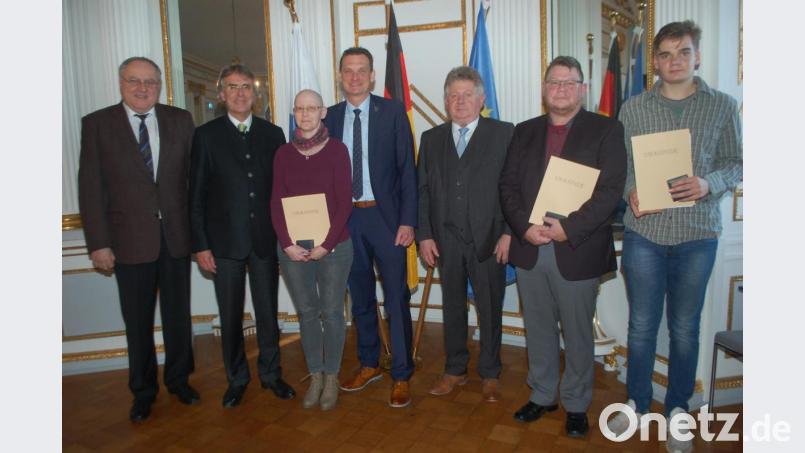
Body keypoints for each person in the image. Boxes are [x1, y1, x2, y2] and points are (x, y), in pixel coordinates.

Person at [608, 21, 742, 453]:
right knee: (641, 326)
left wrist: (708, 183)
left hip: (697, 234)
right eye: (665, 54)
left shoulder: (723, 106)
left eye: (683, 52)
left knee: (685, 328)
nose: (675, 61)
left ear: (696, 56)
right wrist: (631, 190)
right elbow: (622, 166)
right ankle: (637, 402)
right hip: (644, 232)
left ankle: (678, 410)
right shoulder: (634, 108)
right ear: (655, 62)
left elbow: (737, 163)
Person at [499, 56, 626, 437]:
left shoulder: (606, 129)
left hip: (576, 247)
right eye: (554, 82)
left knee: (577, 332)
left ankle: (576, 403)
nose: (561, 89)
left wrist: (567, 228)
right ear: (544, 89)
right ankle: (542, 395)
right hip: (531, 247)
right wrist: (524, 228)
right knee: (537, 328)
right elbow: (507, 187)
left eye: (570, 82)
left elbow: (610, 192)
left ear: (583, 89)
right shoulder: (524, 131)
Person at [78, 56, 199, 422]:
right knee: (137, 321)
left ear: (159, 86)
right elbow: (91, 189)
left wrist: (200, 236)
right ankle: (143, 391)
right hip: (128, 242)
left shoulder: (180, 120)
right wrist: (98, 243)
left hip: (175, 238)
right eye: (134, 80)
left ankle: (179, 380)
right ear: (121, 83)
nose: (143, 88)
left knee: (178, 317)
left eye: (150, 82)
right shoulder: (98, 124)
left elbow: (193, 182)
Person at [189, 63, 295, 408]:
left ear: (255, 93)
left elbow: (284, 189)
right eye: (232, 87)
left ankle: (271, 374)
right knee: (231, 316)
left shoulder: (273, 134)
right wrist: (201, 245)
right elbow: (196, 196)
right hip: (224, 244)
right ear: (221, 94)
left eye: (246, 86)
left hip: (265, 240)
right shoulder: (206, 136)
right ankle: (237, 379)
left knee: (267, 312)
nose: (240, 93)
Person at [323, 47, 417, 408]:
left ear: (373, 75)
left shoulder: (392, 112)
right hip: (346, 221)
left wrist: (408, 220)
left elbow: (408, 169)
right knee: (360, 297)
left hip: (386, 219)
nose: (355, 76)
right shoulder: (330, 117)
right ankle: (369, 363)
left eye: (362, 70)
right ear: (340, 76)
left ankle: (402, 374)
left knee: (395, 298)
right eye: (348, 70)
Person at [417, 66, 514, 403]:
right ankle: (455, 369)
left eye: (467, 95)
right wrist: (425, 235)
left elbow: (513, 190)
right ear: (446, 101)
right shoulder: (430, 140)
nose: (460, 101)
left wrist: (508, 233)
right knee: (452, 308)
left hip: (489, 239)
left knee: (490, 308)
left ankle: (490, 373)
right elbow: (423, 192)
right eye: (453, 95)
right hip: (445, 241)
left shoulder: (504, 134)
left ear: (481, 99)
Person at [271, 89, 353, 411]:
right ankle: (315, 376)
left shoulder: (338, 150)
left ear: (323, 112)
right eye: (299, 109)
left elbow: (345, 203)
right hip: (293, 250)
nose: (305, 114)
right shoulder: (282, 154)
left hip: (334, 247)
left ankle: (331, 376)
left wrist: (326, 245)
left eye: (311, 108)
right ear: (294, 113)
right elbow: (276, 202)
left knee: (332, 313)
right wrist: (287, 244)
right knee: (307, 313)